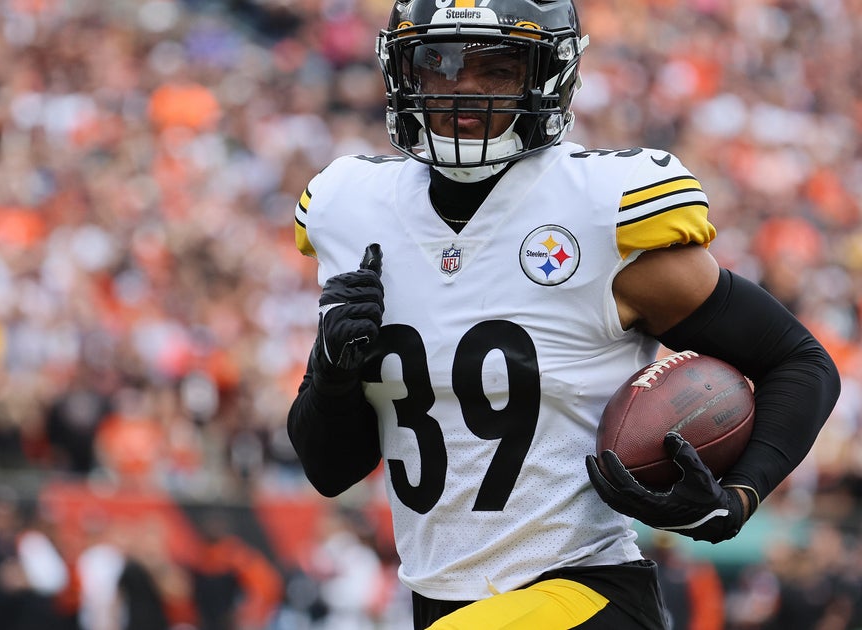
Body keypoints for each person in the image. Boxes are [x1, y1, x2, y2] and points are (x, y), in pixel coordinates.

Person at [285, 1, 840, 628]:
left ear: (547, 74)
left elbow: (798, 360)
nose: (461, 86)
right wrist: (333, 374)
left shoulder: (599, 212)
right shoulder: (352, 211)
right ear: (403, 72)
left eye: (494, 66)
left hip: (584, 593)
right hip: (439, 602)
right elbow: (329, 470)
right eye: (436, 62)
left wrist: (740, 493)